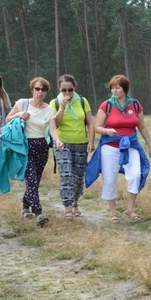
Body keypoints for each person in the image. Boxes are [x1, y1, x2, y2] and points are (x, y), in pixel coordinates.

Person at [92, 75, 151, 224]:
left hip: (131, 146)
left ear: (125, 89)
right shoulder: (106, 105)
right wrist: (108, 131)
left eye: (118, 87)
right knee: (109, 180)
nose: (114, 90)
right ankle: (113, 212)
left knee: (136, 175)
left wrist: (150, 145)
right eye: (112, 87)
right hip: (110, 147)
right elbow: (97, 127)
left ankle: (130, 209)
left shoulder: (135, 105)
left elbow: (142, 126)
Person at [6, 77, 60, 226]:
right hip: (25, 146)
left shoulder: (49, 109)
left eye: (43, 89)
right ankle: (38, 212)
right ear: (32, 90)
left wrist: (57, 140)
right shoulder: (23, 103)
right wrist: (19, 114)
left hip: (42, 146)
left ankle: (25, 206)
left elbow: (53, 130)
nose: (40, 92)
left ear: (46, 92)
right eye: (37, 89)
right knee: (31, 179)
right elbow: (7, 119)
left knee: (35, 180)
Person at [49, 74, 95, 219]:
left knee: (78, 177)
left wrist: (91, 141)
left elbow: (90, 122)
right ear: (60, 89)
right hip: (62, 143)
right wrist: (62, 108)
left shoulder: (82, 101)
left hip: (81, 143)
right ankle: (67, 207)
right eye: (64, 90)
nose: (67, 93)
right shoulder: (54, 103)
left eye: (70, 89)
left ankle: (75, 202)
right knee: (66, 175)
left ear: (74, 87)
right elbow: (54, 124)